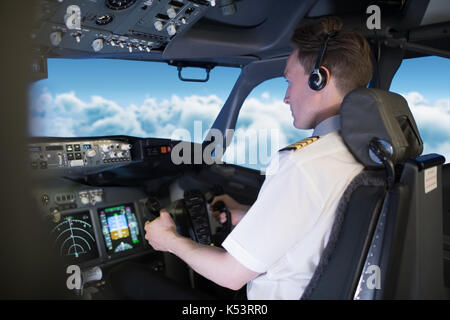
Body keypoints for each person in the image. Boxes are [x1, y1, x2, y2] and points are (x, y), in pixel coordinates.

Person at [113, 16, 373, 300]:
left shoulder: (304, 165)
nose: (286, 97)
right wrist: (247, 215)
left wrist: (169, 240)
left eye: (289, 81)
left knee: (127, 278)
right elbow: (323, 223)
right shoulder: (367, 152)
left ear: (318, 79)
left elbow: (231, 275)